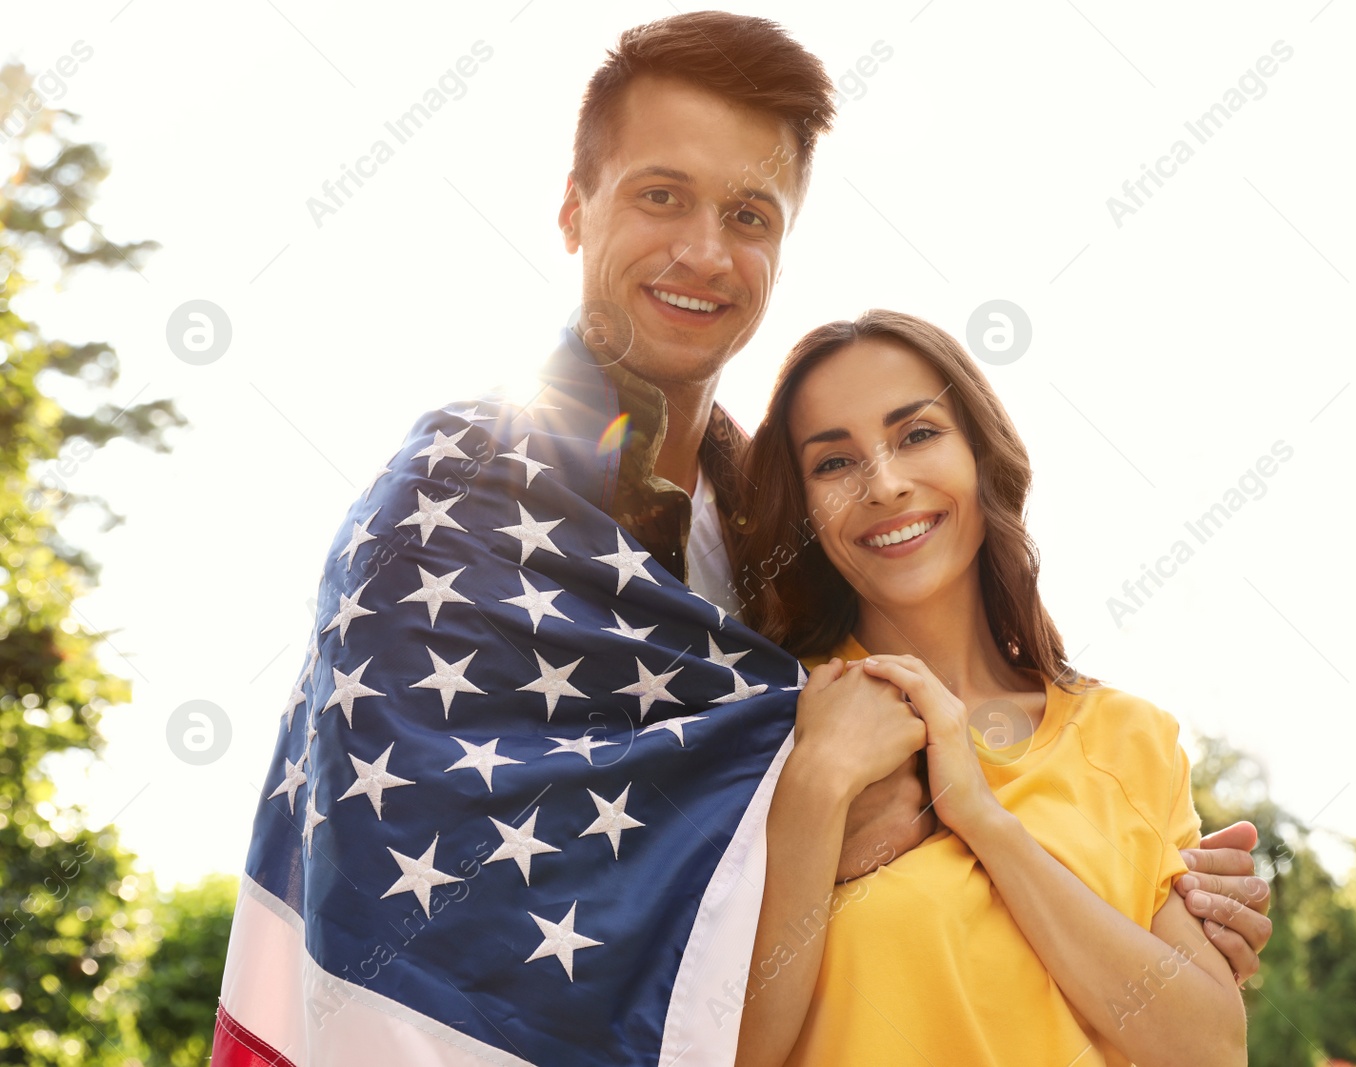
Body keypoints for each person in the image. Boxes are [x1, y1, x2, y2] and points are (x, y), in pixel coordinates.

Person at [214, 13, 1269, 1065]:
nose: (704, 252)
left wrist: (1159, 889)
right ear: (575, 209)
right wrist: (803, 812)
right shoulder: (458, 500)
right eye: (660, 195)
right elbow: (426, 848)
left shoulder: (775, 551)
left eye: (750, 214)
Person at [729, 310, 1247, 1067]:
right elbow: (717, 1046)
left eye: (917, 434)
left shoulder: (1129, 739)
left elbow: (1208, 1051)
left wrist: (978, 815)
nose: (887, 484)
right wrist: (817, 784)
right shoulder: (768, 716)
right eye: (834, 463)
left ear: (980, 454)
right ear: (802, 506)